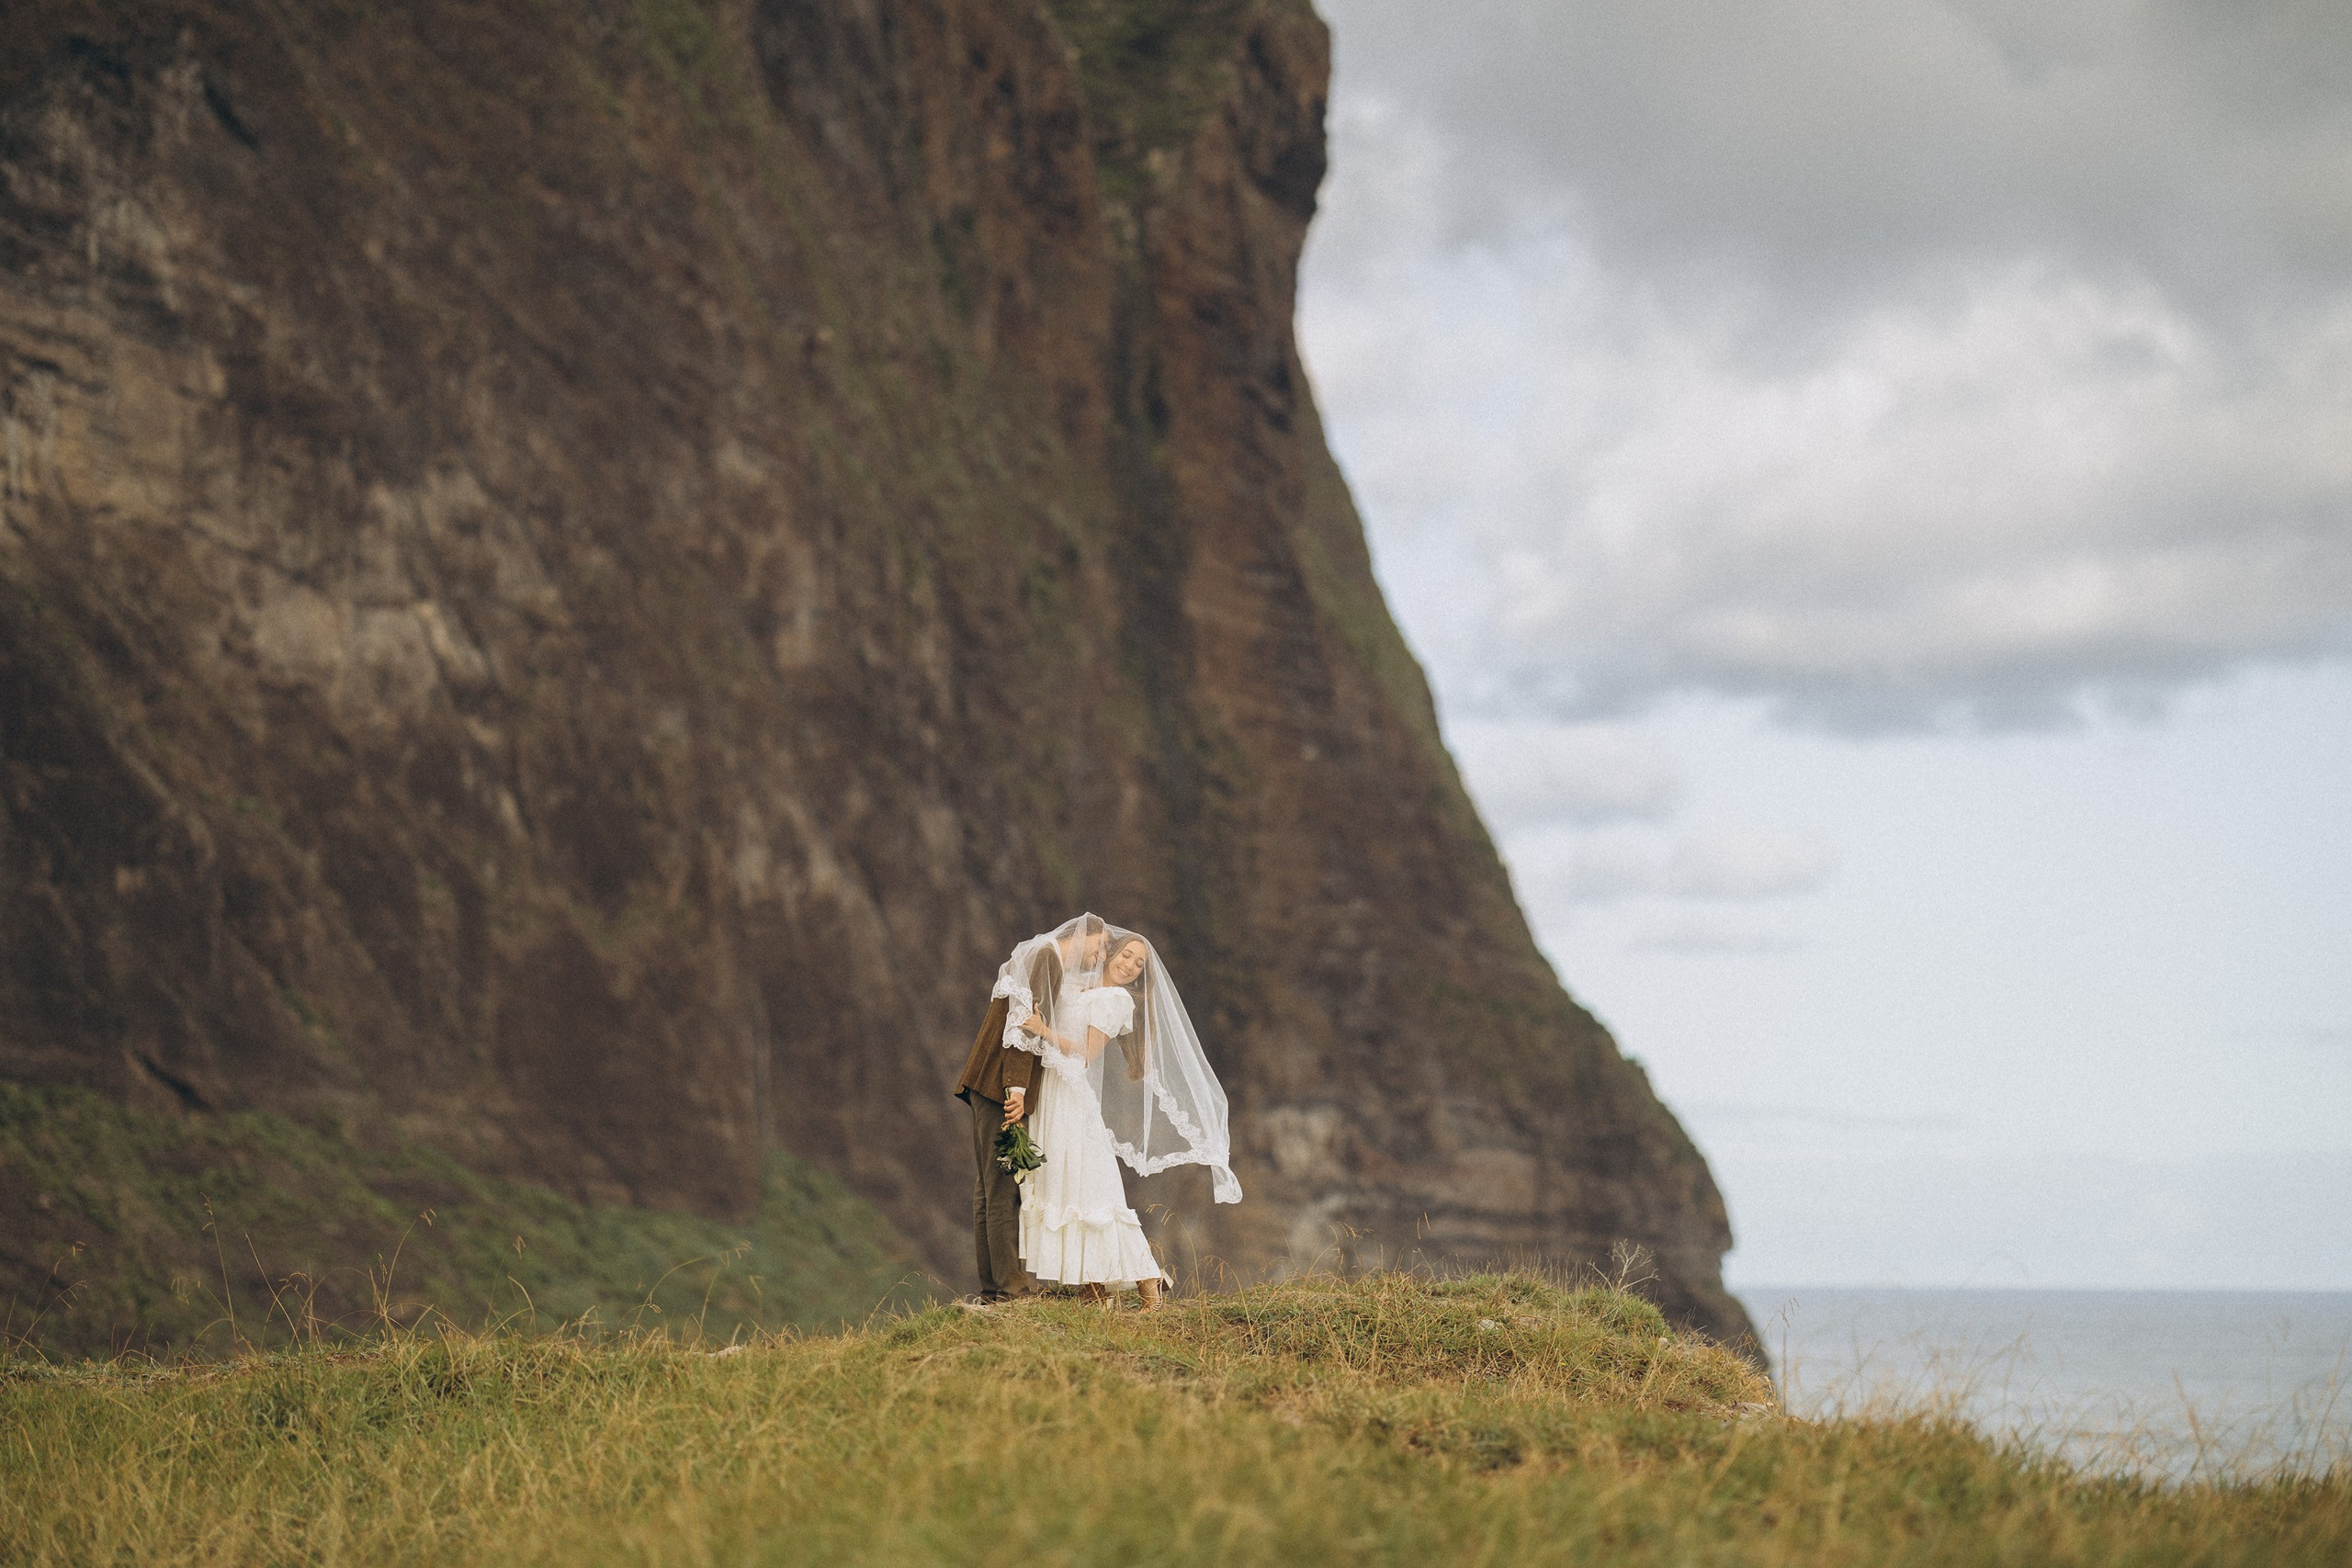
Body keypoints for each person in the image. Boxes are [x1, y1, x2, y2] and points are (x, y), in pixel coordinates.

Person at [991, 914, 1241, 1307]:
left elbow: (1085, 1055)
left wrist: (1042, 1031)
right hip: (1050, 1094)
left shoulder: (1115, 1001)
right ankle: (1094, 1289)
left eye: (1139, 965)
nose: (1130, 966)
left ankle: (1149, 1281)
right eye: (1126, 955)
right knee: (1064, 1185)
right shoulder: (1077, 982)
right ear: (1110, 953)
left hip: (1071, 1096)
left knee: (1093, 1189)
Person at [952, 918, 1102, 1302]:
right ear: (1080, 935)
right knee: (1003, 1190)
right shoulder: (1048, 959)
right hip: (1000, 1087)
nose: (1099, 956)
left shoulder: (1036, 955)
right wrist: (1016, 1089)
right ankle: (1011, 1290)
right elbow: (1023, 1026)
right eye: (1098, 946)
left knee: (988, 1191)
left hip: (986, 1081)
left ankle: (994, 1288)